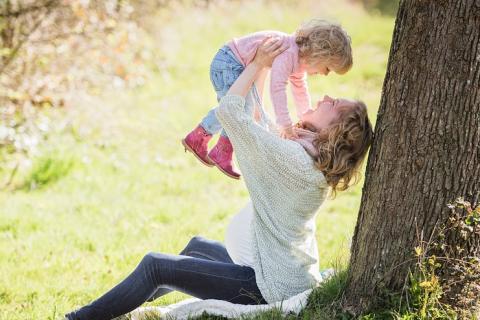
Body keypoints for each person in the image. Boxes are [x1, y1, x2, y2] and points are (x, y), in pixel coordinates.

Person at [65, 37, 373, 320]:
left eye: (334, 105)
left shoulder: (293, 161)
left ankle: (79, 319)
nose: (328, 96)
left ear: (334, 131)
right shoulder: (304, 156)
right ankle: (127, 301)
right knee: (195, 246)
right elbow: (257, 121)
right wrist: (264, 67)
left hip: (266, 287)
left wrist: (253, 65)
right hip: (274, 271)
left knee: (155, 265)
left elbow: (231, 113)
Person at [182, 19, 353, 179]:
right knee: (237, 108)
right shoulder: (289, 53)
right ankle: (215, 146)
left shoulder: (298, 60)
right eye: (328, 68)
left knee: (238, 108)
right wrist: (285, 123)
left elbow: (300, 90)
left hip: (233, 64)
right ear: (320, 54)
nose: (324, 74)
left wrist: (305, 115)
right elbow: (277, 88)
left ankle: (208, 142)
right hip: (229, 63)